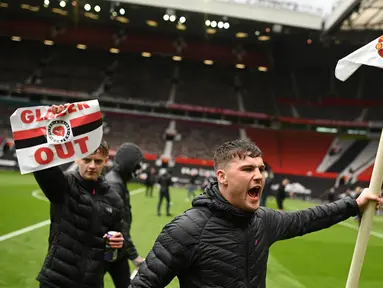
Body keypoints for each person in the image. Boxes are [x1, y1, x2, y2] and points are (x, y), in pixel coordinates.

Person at [130, 139, 382, 288]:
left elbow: (308, 218)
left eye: (261, 169)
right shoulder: (186, 229)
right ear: (222, 177)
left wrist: (353, 204)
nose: (259, 176)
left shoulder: (263, 220)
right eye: (248, 168)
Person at [34, 104, 125, 288]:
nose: (92, 165)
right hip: (55, 282)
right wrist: (52, 124)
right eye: (87, 159)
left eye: (98, 161)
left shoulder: (115, 200)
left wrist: (118, 246)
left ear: (106, 162)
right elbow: (41, 163)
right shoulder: (64, 185)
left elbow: (112, 258)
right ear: (77, 158)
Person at [104, 143, 145, 287]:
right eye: (137, 165)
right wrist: (134, 255)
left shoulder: (117, 181)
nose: (139, 169)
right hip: (108, 249)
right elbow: (119, 226)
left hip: (115, 248)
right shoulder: (115, 185)